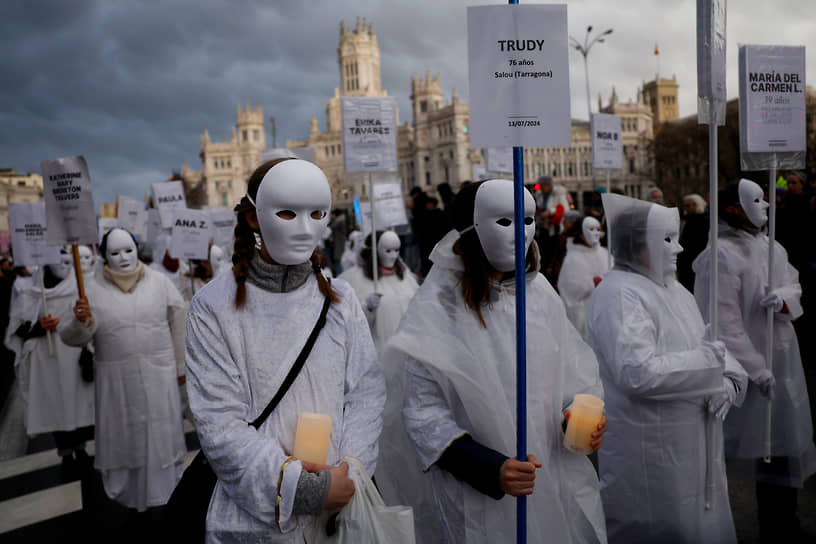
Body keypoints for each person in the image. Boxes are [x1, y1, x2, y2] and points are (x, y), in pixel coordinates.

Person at [381, 179, 608, 543]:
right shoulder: (440, 306)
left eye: (528, 219)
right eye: (504, 221)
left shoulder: (539, 295)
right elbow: (422, 412)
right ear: (470, 229)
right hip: (477, 494)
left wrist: (575, 419)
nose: (521, 234)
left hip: (549, 476)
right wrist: (489, 468)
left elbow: (571, 372)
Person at [184, 158, 385, 542]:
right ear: (255, 218)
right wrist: (300, 487)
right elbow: (219, 422)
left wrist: (350, 471)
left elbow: (365, 393)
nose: (306, 228)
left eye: (318, 213)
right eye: (289, 213)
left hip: (340, 511)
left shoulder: (341, 299)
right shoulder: (213, 306)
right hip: (257, 520)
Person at [587, 193, 747, 543]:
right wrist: (712, 367)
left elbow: (708, 342)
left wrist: (730, 381)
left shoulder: (675, 290)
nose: (678, 249)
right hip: (651, 449)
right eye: (667, 239)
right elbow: (637, 371)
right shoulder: (620, 295)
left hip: (693, 445)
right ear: (638, 245)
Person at [693, 180, 816, 543]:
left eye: (766, 199)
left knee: (784, 442)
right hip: (752, 367)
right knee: (758, 446)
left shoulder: (770, 246)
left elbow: (793, 283)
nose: (766, 206)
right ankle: (761, 526)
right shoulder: (721, 256)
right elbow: (722, 321)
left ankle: (785, 522)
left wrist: (784, 299)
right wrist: (755, 367)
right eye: (756, 200)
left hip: (784, 359)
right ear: (733, 208)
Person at [60, 228, 187, 514]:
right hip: (117, 383)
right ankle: (131, 497)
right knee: (127, 440)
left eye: (128, 250)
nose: (124, 258)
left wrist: (180, 365)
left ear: (137, 248)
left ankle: (165, 494)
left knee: (160, 438)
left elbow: (178, 320)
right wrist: (82, 321)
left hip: (159, 376)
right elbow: (71, 337)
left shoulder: (160, 282)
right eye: (115, 253)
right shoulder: (89, 291)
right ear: (105, 257)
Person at [5, 249, 94, 476]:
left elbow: (90, 320)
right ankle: (65, 453)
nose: (65, 266)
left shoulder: (79, 288)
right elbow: (16, 329)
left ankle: (80, 449)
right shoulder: (31, 292)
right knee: (54, 405)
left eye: (68, 261)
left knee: (76, 403)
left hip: (71, 355)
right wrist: (38, 327)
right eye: (60, 261)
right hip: (46, 361)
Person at [339, 230, 418, 354]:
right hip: (380, 353)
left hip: (408, 348)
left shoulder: (403, 273)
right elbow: (350, 324)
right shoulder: (354, 279)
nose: (393, 256)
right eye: (387, 250)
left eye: (396, 250)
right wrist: (367, 308)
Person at [558, 216, 610, 340]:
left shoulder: (605, 254)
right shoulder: (573, 258)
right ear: (580, 234)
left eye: (598, 229)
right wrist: (592, 283)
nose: (596, 233)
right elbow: (570, 290)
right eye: (591, 229)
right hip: (584, 318)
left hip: (607, 316)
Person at [677, 193, 709, 292]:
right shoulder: (687, 219)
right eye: (685, 205)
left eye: (688, 205)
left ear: (696, 205)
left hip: (695, 261)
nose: (685, 208)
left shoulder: (702, 220)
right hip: (686, 262)